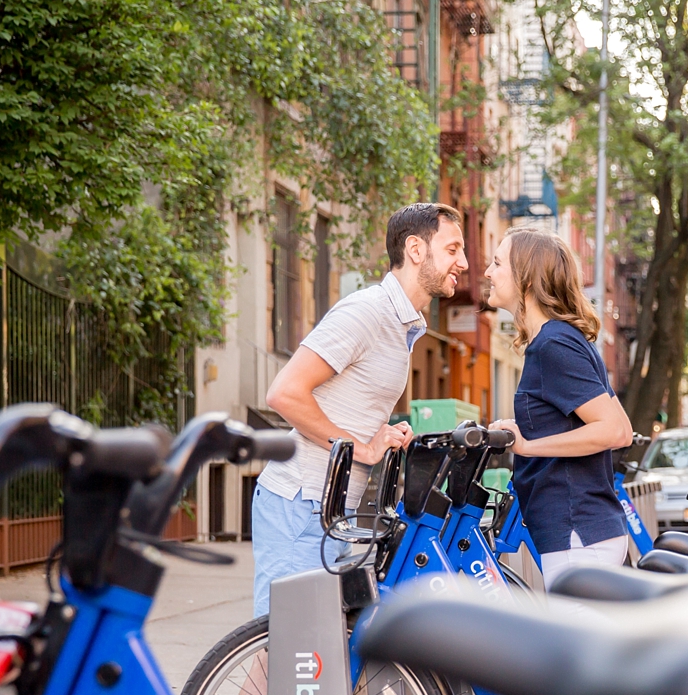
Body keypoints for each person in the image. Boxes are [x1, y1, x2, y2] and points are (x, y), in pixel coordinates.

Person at [251, 203, 468, 617]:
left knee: (302, 656)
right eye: (453, 248)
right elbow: (284, 393)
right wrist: (362, 449)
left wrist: (384, 432)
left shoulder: (404, 323)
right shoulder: (368, 312)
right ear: (416, 249)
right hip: (300, 502)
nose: (464, 261)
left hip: (330, 507)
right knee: (283, 653)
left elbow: (349, 400)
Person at [486, 228, 633, 588]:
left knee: (581, 646)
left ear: (526, 277)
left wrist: (527, 445)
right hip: (580, 534)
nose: (488, 272)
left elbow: (615, 431)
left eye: (497, 263)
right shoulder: (558, 340)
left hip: (577, 535)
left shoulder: (555, 345)